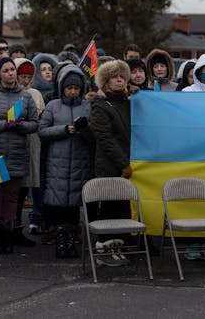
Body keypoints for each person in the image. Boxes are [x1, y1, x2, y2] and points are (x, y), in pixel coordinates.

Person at [0, 57, 39, 255]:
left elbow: (34, 123)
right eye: (5, 70)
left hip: (17, 153)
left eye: (12, 69)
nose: (10, 73)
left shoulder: (26, 96)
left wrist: (21, 126)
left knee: (12, 197)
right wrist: (3, 125)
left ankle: (8, 236)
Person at [39, 65, 92, 259]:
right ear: (62, 88)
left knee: (73, 210)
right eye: (69, 88)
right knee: (59, 209)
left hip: (79, 164)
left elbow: (93, 135)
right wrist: (64, 129)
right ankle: (61, 242)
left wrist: (83, 129)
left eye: (76, 88)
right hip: (57, 165)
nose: (72, 91)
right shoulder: (53, 106)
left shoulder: (87, 106)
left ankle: (71, 242)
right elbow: (42, 131)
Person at [90, 60, 133, 266]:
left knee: (122, 209)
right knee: (109, 209)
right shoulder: (99, 105)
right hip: (109, 166)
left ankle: (119, 247)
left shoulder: (127, 102)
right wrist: (123, 163)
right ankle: (104, 249)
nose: (119, 79)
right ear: (105, 82)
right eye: (114, 76)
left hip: (127, 166)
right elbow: (105, 139)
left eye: (122, 76)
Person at [13, 58, 45, 247]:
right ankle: (8, 228)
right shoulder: (6, 93)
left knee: (25, 188)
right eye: (21, 76)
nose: (24, 80)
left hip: (31, 143)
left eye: (28, 77)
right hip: (14, 143)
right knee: (12, 192)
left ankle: (18, 228)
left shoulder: (35, 94)